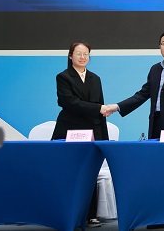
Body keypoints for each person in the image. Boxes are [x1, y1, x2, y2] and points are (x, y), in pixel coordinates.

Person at [51, 41, 110, 228]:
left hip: (92, 131)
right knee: (70, 173)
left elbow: (101, 107)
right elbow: (69, 102)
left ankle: (91, 215)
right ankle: (69, 214)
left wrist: (104, 138)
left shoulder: (95, 78)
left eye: (86, 54)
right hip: (70, 130)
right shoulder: (63, 77)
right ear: (70, 56)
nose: (83, 57)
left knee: (90, 172)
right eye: (78, 53)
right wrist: (98, 108)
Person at [105, 31, 164, 141]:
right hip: (156, 124)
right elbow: (142, 95)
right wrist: (117, 107)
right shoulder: (155, 69)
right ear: (159, 47)